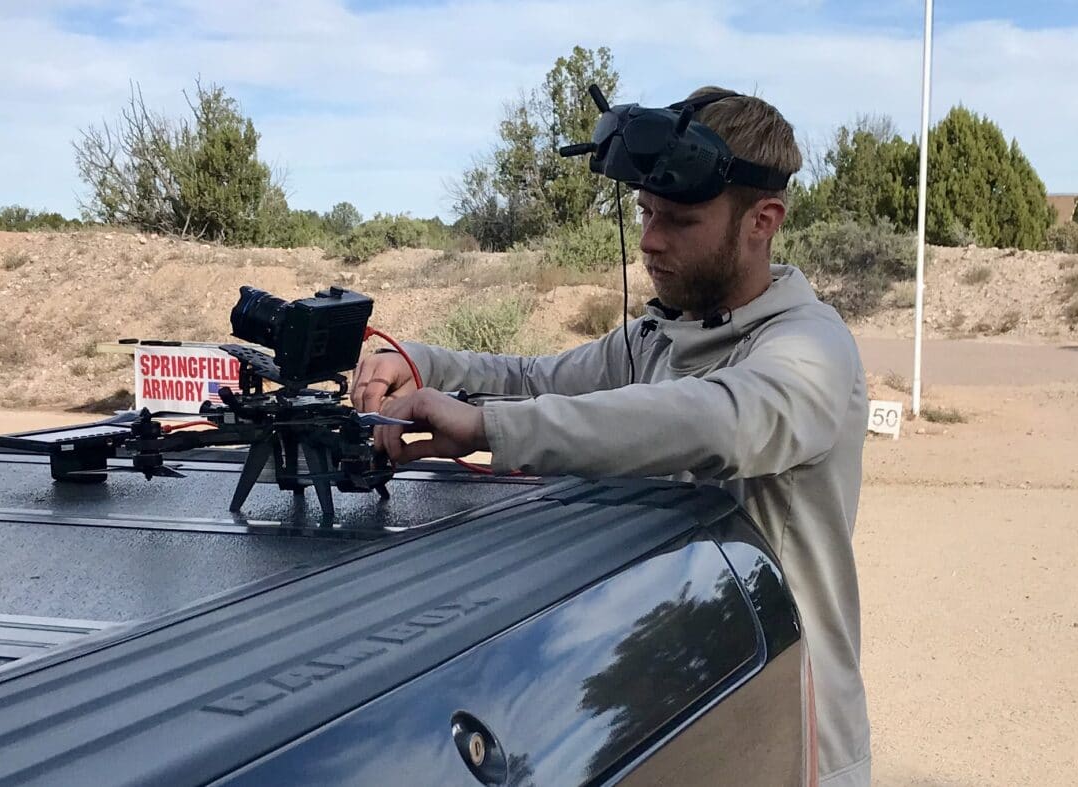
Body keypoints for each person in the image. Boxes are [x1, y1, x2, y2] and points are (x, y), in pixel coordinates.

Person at [353, 86, 871, 786]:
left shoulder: (811, 349)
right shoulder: (660, 332)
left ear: (764, 221)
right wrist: (423, 363)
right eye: (645, 213)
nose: (651, 240)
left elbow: (712, 421)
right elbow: (542, 380)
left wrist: (485, 426)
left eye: (680, 220)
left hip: (792, 731)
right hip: (675, 710)